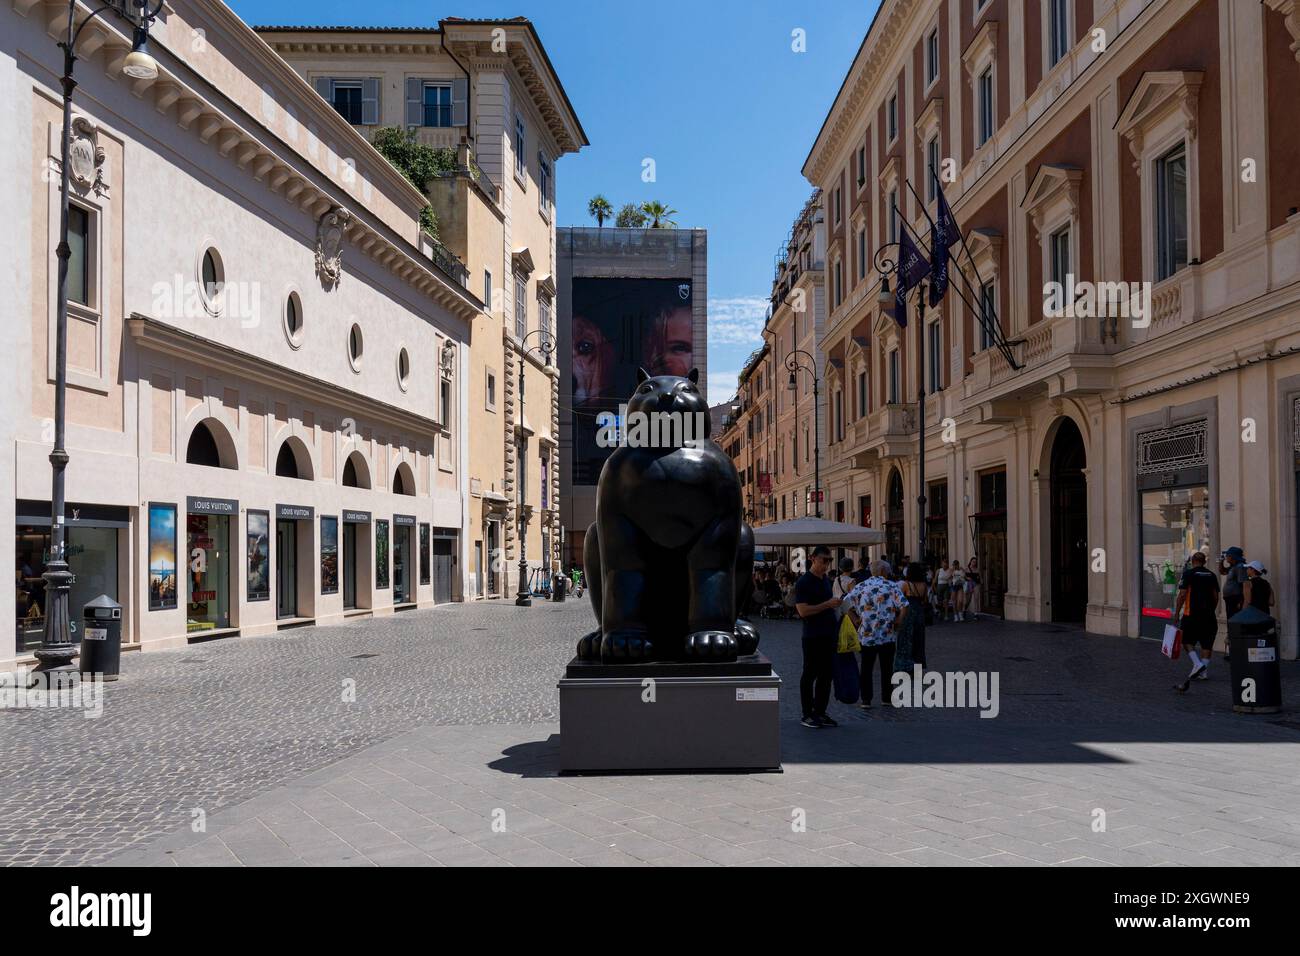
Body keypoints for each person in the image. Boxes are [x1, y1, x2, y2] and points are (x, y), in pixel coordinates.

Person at [845, 559, 906, 709]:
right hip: (887, 634)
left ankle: (866, 700)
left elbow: (845, 603)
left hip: (867, 634)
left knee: (866, 668)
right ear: (884, 571)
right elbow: (905, 605)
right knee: (887, 667)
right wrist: (899, 620)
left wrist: (855, 619)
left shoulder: (862, 586)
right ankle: (886, 698)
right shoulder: (891, 586)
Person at [794, 546, 842, 728]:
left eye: (830, 560)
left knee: (826, 675)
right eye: (824, 560)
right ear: (813, 558)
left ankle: (820, 712)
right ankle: (807, 714)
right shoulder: (804, 582)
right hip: (812, 635)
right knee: (810, 674)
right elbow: (803, 610)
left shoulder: (825, 580)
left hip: (828, 633)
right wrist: (827, 604)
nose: (827, 564)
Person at [1173, 551, 1220, 691]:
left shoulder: (1188, 574)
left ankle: (1197, 664)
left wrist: (1176, 613)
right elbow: (1216, 596)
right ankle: (1204, 672)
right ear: (1204, 562)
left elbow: (1182, 595)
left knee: (1186, 641)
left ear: (1193, 561)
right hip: (1209, 616)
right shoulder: (1212, 575)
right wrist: (1211, 609)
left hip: (1191, 614)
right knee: (1207, 644)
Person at [894, 562, 929, 672]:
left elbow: (900, 600)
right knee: (918, 641)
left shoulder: (906, 584)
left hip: (908, 614)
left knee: (905, 640)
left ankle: (905, 667)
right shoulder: (923, 585)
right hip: (919, 613)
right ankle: (917, 668)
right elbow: (925, 600)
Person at [1218, 546, 1248, 620]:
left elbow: (1243, 584)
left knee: (1234, 619)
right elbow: (1223, 571)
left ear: (1232, 557)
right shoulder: (1233, 567)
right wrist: (1221, 562)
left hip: (1235, 599)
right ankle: (1231, 631)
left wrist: (1241, 600)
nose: (1226, 557)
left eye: (1228, 555)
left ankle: (1234, 632)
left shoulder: (1240, 567)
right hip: (1230, 598)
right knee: (1230, 619)